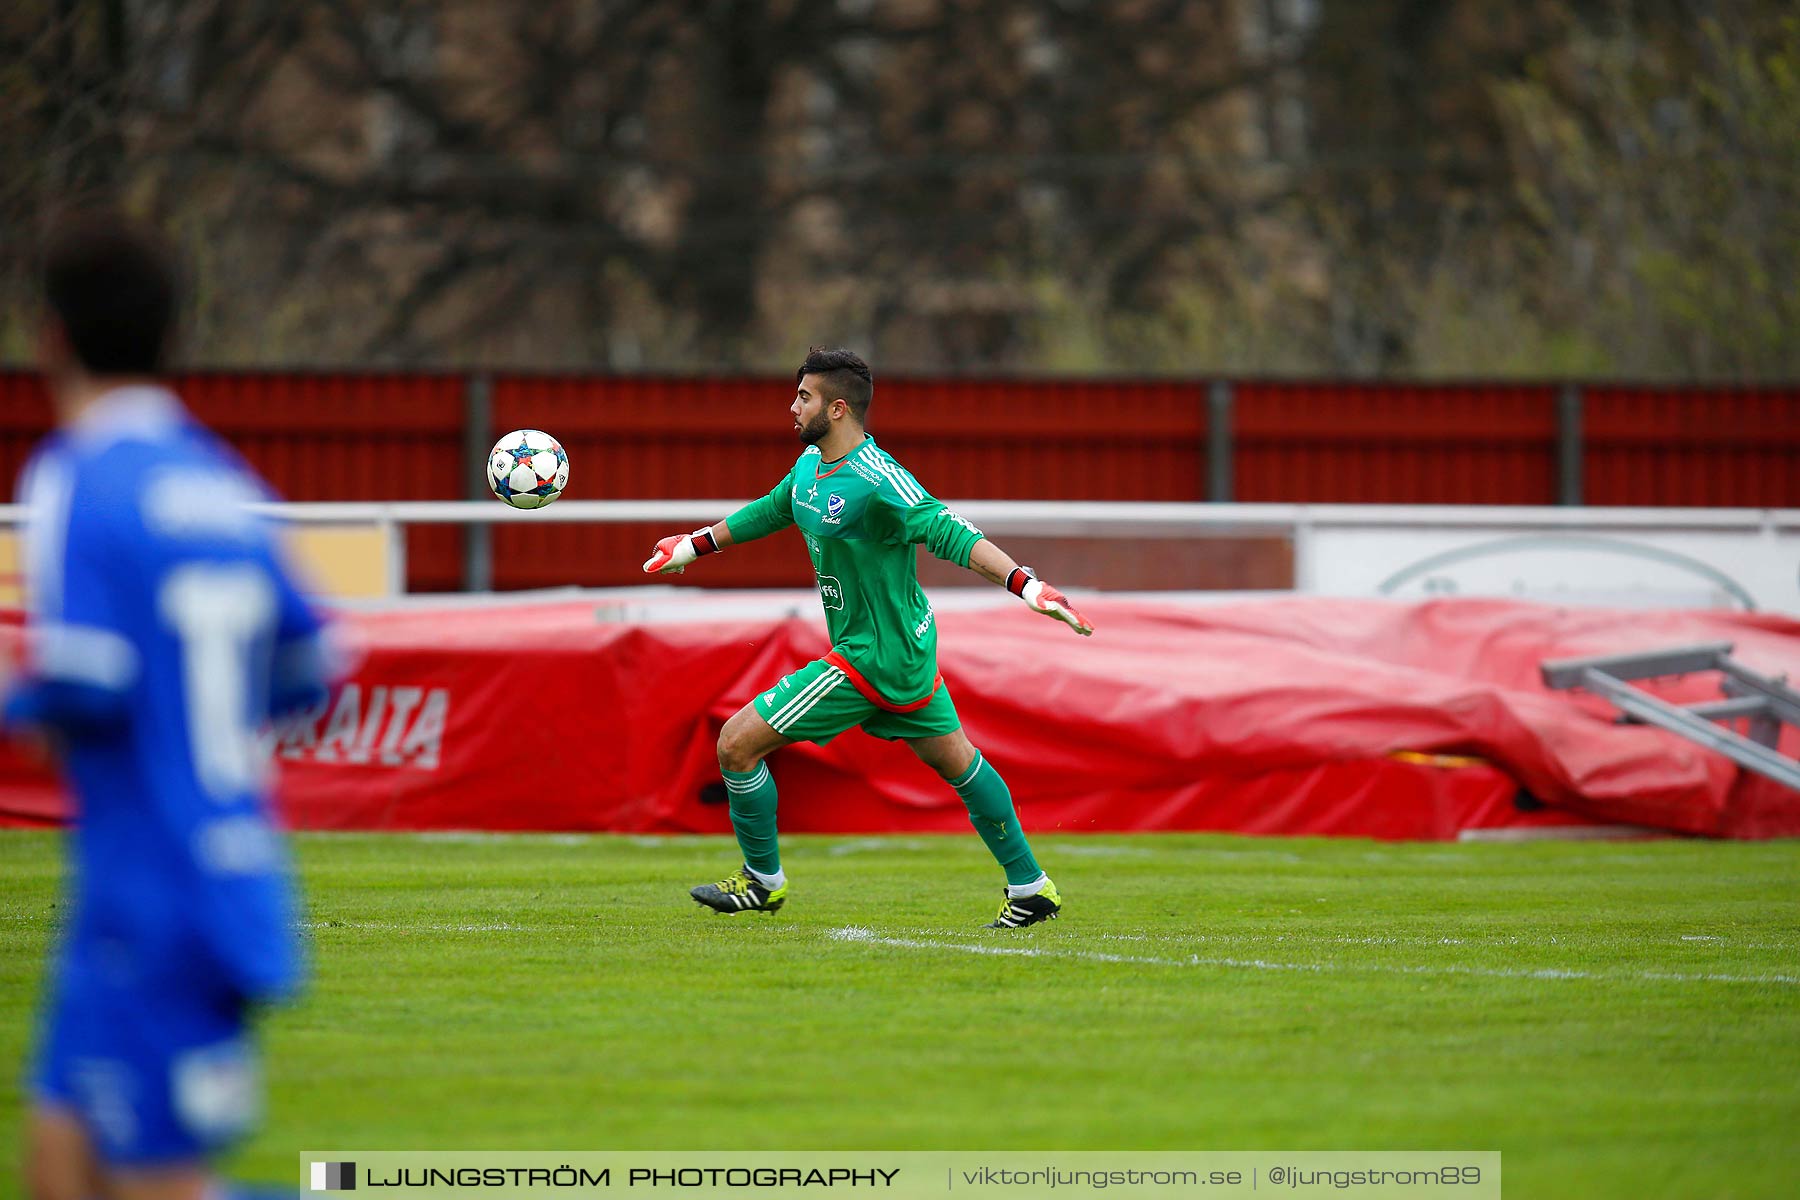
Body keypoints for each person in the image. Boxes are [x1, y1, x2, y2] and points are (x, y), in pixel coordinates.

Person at [4, 212, 335, 1200]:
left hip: (156, 891)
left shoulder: (77, 477)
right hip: (200, 871)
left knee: (158, 1190)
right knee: (60, 1171)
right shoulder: (218, 481)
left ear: (49, 338)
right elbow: (313, 668)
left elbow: (89, 685)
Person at [644, 347, 1093, 928]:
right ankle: (1031, 887)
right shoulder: (810, 466)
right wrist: (693, 545)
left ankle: (762, 883)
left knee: (735, 742)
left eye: (803, 397)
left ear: (836, 409)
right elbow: (775, 509)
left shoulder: (879, 480)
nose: (792, 405)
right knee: (961, 764)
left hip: (870, 657)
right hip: (904, 649)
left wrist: (1027, 586)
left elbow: (949, 531)